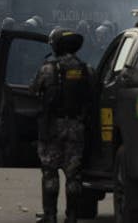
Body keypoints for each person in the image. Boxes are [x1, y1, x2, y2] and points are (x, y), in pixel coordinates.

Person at [30, 28, 93, 223]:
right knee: (73, 174)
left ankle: (50, 216)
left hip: (52, 127)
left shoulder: (48, 68)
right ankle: (72, 216)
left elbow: (34, 90)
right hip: (76, 126)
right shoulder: (86, 69)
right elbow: (93, 97)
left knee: (50, 172)